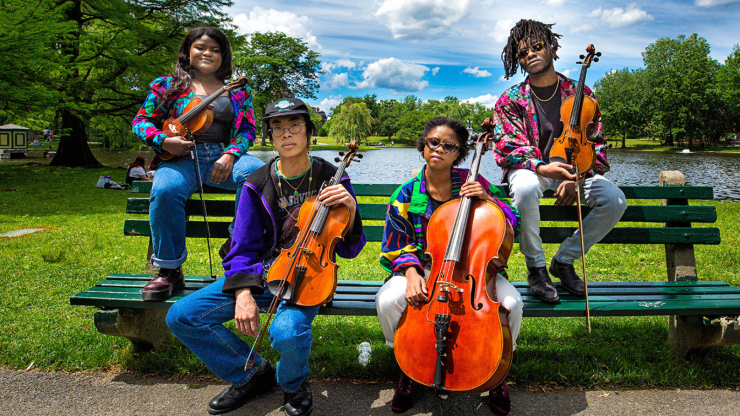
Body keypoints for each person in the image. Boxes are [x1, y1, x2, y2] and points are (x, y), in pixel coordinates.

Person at [166, 98, 366, 416]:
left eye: (294, 126)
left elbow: (350, 248)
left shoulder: (332, 177)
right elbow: (241, 246)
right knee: (183, 316)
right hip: (261, 276)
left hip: (308, 277)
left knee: (286, 331)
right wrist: (243, 291)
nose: (286, 134)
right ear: (270, 137)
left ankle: (292, 384)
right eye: (278, 128)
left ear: (309, 133)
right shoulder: (256, 183)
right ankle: (251, 374)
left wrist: (352, 211)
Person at [375, 117, 522, 415]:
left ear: (459, 153)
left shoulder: (474, 183)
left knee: (512, 303)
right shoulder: (405, 193)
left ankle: (496, 371)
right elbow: (395, 244)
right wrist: (412, 272)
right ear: (424, 146)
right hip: (425, 269)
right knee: (389, 300)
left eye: (449, 145)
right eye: (433, 142)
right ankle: (408, 365)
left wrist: (488, 200)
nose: (439, 149)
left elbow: (511, 221)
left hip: (475, 272)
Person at [493, 19, 626, 304]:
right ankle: (537, 269)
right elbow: (507, 145)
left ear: (553, 48)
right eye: (523, 53)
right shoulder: (511, 99)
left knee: (614, 200)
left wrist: (576, 177)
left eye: (537, 47)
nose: (530, 55)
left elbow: (597, 144)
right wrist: (542, 167)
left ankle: (564, 261)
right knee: (526, 188)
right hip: (534, 169)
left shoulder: (582, 94)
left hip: (575, 171)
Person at [131, 27, 264, 301]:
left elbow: (248, 130)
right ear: (188, 51)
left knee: (256, 175)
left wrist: (230, 154)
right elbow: (140, 121)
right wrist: (164, 142)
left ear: (224, 56)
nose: (208, 53)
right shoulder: (168, 86)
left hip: (222, 156)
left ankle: (235, 248)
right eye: (201, 47)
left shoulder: (239, 90)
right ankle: (169, 270)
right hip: (181, 157)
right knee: (166, 190)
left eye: (216, 50)